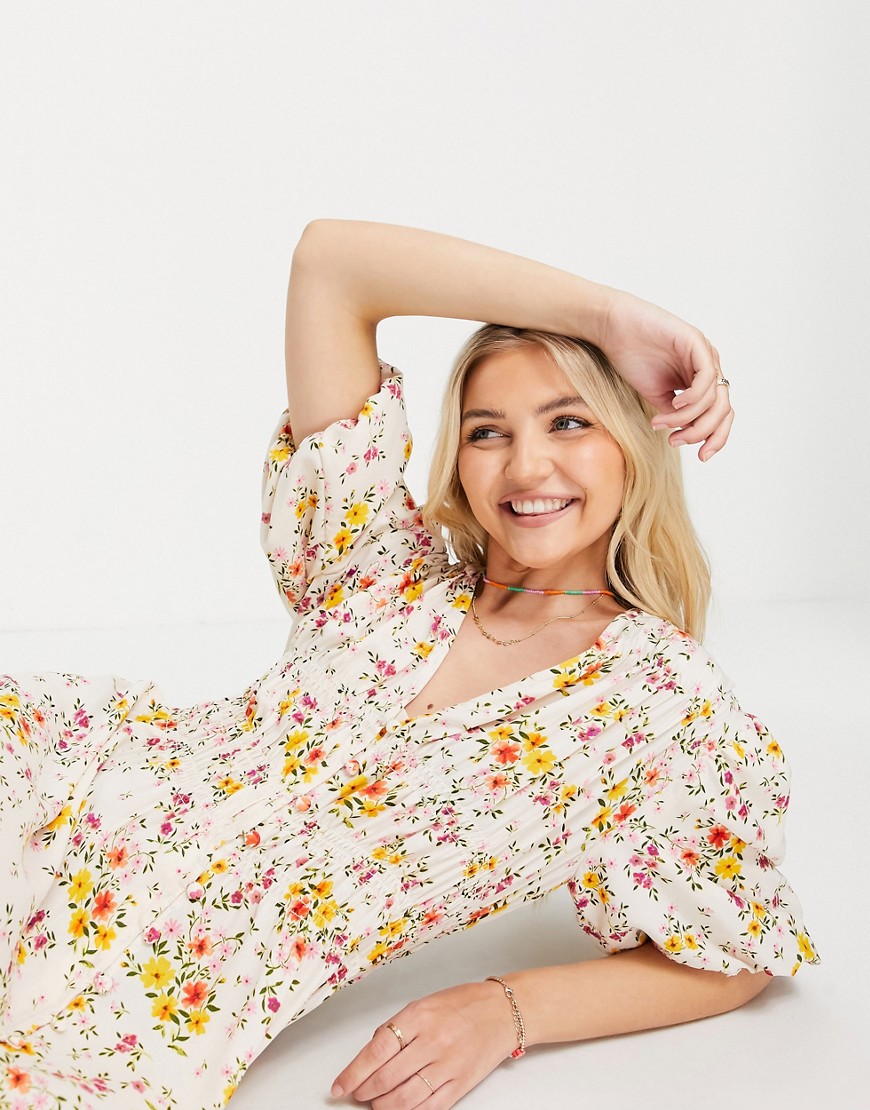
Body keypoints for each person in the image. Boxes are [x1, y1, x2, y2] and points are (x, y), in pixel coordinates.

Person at [0, 220, 817, 1108]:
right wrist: (609, 316)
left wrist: (507, 1009)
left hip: (132, 1005)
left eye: (569, 421)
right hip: (45, 791)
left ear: (634, 441)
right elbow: (331, 263)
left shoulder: (658, 702)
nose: (526, 464)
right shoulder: (380, 566)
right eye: (487, 431)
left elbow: (741, 948)